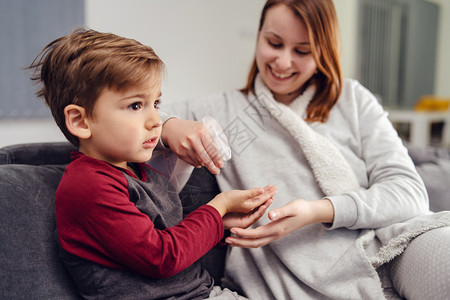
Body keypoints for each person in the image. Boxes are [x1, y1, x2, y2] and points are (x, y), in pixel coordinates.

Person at [160, 0, 450, 299]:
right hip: (298, 273)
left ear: (324, 50)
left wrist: (317, 211)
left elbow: (409, 193)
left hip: (385, 245)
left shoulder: (353, 100)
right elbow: (138, 115)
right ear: (259, 35)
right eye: (274, 43)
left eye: (302, 50)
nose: (283, 62)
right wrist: (169, 125)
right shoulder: (229, 111)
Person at [28, 28, 277, 300]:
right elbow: (162, 257)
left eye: (155, 103)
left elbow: (168, 241)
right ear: (80, 121)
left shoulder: (137, 171)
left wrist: (220, 225)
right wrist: (219, 207)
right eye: (136, 106)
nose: (156, 120)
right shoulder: (89, 185)